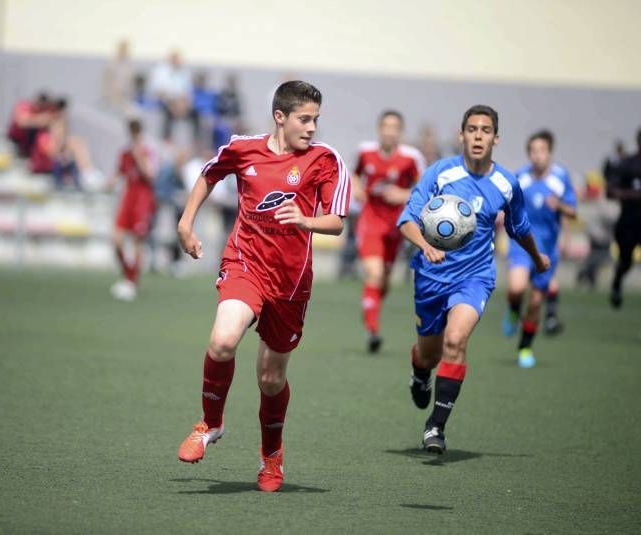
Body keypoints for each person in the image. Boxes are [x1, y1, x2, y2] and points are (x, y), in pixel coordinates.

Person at [176, 81, 349, 491]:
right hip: (245, 264)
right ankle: (210, 424)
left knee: (270, 380)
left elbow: (337, 221)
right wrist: (185, 223)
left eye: (315, 120)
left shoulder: (325, 160)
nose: (311, 127)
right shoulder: (242, 148)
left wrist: (307, 220)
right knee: (222, 341)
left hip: (290, 285)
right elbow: (208, 175)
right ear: (280, 117)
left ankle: (271, 457)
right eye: (304, 119)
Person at [397, 105, 549, 453]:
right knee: (429, 353)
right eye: (472, 129)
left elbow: (519, 227)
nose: (478, 136)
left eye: (485, 130)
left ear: (496, 138)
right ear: (461, 135)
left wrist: (537, 256)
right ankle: (420, 372)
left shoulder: (506, 183)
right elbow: (407, 218)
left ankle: (435, 427)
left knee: (456, 339)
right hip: (431, 277)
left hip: (474, 277)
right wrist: (425, 244)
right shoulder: (439, 173)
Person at [501, 131, 577, 367]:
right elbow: (505, 206)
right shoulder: (520, 178)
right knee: (516, 288)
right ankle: (513, 308)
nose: (537, 155)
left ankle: (525, 347)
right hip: (521, 244)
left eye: (542, 150)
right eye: (533, 151)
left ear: (549, 152)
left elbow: (573, 211)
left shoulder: (560, 178)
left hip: (548, 249)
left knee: (535, 302)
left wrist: (560, 207)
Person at [352, 110, 424, 352]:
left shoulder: (410, 158)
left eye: (395, 127)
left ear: (400, 132)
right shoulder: (365, 152)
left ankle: (370, 305)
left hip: (397, 227)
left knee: (383, 282)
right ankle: (373, 331)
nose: (390, 131)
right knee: (374, 273)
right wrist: (356, 188)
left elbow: (426, 188)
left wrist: (403, 195)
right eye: (386, 126)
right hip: (370, 221)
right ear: (379, 129)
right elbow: (354, 173)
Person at [108, 119, 158, 301]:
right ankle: (128, 275)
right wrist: (109, 183)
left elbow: (151, 175)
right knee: (116, 240)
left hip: (142, 200)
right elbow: (117, 174)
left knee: (137, 242)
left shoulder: (146, 151)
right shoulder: (125, 152)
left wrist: (139, 156)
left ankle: (131, 282)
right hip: (128, 198)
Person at [608, 127, 641, 308]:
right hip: (629, 223)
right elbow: (610, 191)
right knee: (626, 261)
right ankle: (617, 282)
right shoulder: (628, 164)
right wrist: (633, 195)